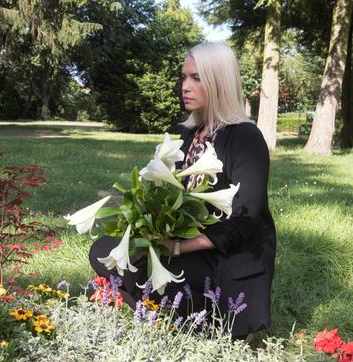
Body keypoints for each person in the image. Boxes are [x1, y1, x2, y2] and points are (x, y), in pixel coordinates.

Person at [89, 42, 276, 338]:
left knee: (164, 276)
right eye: (184, 77)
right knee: (102, 249)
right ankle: (158, 309)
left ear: (219, 82)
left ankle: (177, 312)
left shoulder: (245, 137)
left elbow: (245, 220)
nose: (185, 86)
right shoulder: (189, 133)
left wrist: (175, 247)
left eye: (196, 78)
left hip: (223, 258)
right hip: (187, 246)